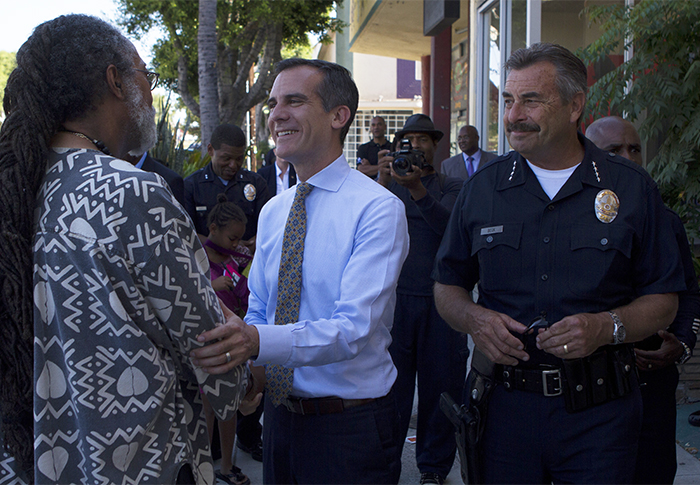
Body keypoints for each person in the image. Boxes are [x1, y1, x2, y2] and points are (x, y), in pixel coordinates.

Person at [0, 14, 253, 484]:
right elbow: (210, 346)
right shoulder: (132, 193)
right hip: (136, 462)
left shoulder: (16, 186)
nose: (151, 93)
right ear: (116, 81)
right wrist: (246, 384)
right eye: (146, 76)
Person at [433, 43, 685, 483]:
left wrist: (606, 326)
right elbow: (447, 284)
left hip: (599, 414)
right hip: (503, 411)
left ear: (574, 106)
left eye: (531, 100)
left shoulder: (631, 188)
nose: (513, 115)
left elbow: (664, 299)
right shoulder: (482, 189)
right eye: (508, 100)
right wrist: (474, 319)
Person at [190, 58, 409, 484]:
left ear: (338, 115)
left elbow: (352, 329)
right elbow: (260, 308)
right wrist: (252, 368)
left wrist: (256, 342)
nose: (276, 115)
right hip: (281, 421)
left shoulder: (379, 209)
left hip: (349, 431)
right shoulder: (273, 211)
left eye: (294, 101)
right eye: (273, 104)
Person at [587, 115, 700, 484]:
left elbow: (688, 291)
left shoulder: (665, 220)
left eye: (634, 148)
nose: (628, 156)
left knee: (652, 471)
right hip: (591, 381)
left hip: (651, 377)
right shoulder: (568, 218)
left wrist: (681, 343)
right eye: (614, 150)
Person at [377, 113, 468, 485]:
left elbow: (450, 229)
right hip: (397, 302)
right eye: (409, 140)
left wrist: (417, 188)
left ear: (435, 144)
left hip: (443, 302)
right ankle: (385, 465)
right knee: (390, 390)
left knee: (440, 387)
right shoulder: (389, 185)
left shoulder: (453, 185)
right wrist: (382, 183)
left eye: (423, 139)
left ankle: (433, 468)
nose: (415, 146)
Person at [202, 194, 254, 485]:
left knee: (229, 407)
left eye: (239, 239)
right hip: (206, 342)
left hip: (234, 342)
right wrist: (212, 285)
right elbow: (184, 292)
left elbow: (248, 296)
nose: (236, 244)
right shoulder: (195, 256)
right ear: (213, 228)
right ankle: (205, 467)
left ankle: (226, 467)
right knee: (207, 408)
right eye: (232, 238)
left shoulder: (238, 259)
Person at [184, 124, 270, 247]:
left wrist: (251, 244)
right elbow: (186, 231)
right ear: (211, 150)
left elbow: (268, 226)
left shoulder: (256, 183)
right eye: (226, 158)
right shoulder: (192, 186)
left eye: (239, 159)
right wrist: (221, 248)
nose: (233, 165)